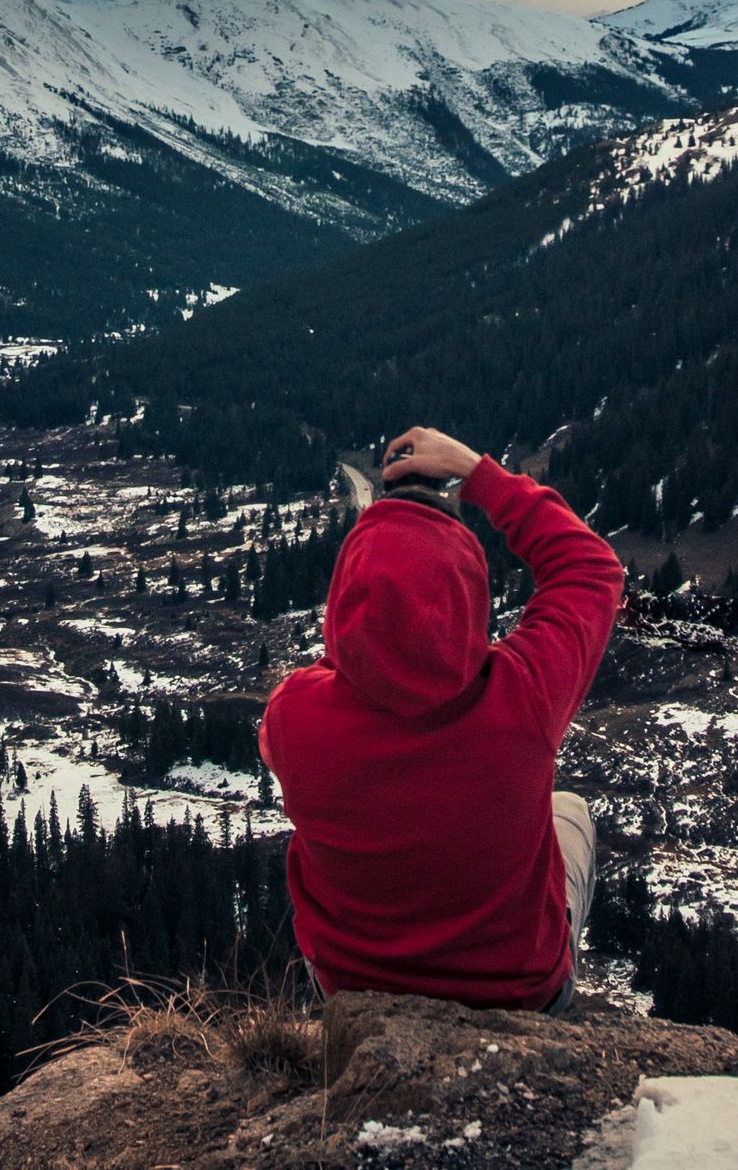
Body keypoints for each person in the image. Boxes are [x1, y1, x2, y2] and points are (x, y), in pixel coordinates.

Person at [259, 425, 623, 1012]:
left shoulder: (293, 716)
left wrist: (363, 636)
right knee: (569, 811)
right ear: (469, 595)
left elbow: (334, 679)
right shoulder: (524, 693)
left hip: (351, 989)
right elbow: (589, 569)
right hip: (520, 996)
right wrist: (480, 474)